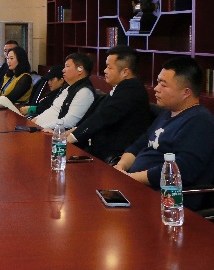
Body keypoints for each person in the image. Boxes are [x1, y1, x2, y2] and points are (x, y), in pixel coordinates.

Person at [114, 57, 214, 210]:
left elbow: (181, 170)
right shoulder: (168, 113)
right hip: (137, 187)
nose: (156, 88)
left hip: (167, 202)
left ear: (186, 92)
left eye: (163, 84)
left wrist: (130, 178)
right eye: (157, 82)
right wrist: (121, 166)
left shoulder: (200, 121)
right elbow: (141, 143)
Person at [67, 46, 151, 161]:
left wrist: (71, 137)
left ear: (125, 72)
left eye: (109, 67)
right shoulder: (122, 88)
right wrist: (71, 132)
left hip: (112, 157)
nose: (105, 71)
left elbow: (103, 117)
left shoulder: (131, 91)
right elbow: (96, 115)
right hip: (96, 149)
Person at [34, 53, 95, 130]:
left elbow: (69, 122)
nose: (63, 70)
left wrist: (40, 128)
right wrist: (35, 120)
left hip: (50, 132)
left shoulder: (84, 92)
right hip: (39, 127)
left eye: (67, 66)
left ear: (80, 69)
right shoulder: (68, 87)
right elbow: (53, 109)